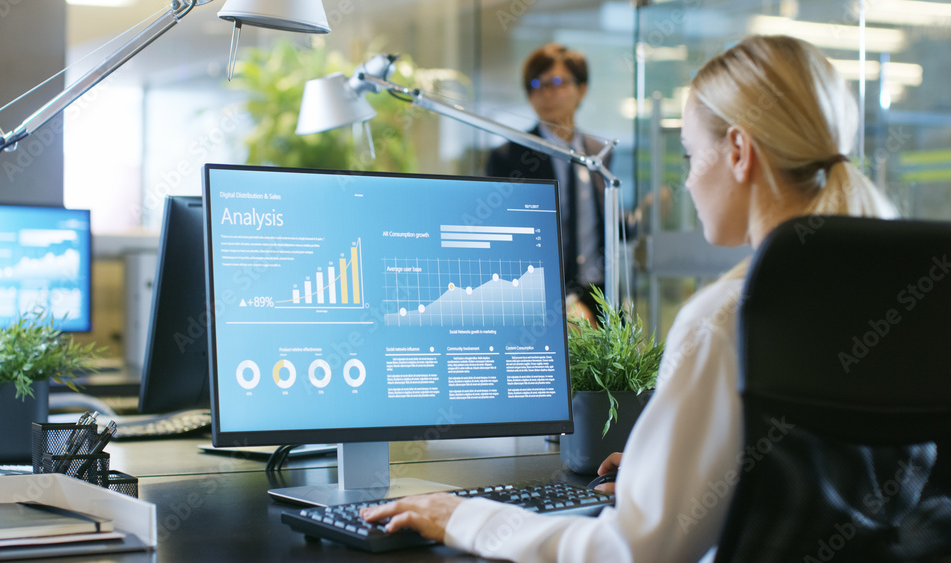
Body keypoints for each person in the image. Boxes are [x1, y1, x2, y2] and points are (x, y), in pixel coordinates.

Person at [361, 34, 898, 561]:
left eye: (689, 155)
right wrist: (671, 472)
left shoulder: (723, 319)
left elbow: (630, 552)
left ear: (738, 151)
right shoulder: (887, 292)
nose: (687, 182)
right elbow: (814, 470)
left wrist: (467, 518)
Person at [485, 43, 614, 321]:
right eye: (536, 85)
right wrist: (563, 300)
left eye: (557, 82)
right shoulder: (508, 156)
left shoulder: (600, 152)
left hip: (601, 295)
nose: (546, 93)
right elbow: (504, 241)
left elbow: (600, 222)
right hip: (538, 299)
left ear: (582, 89)